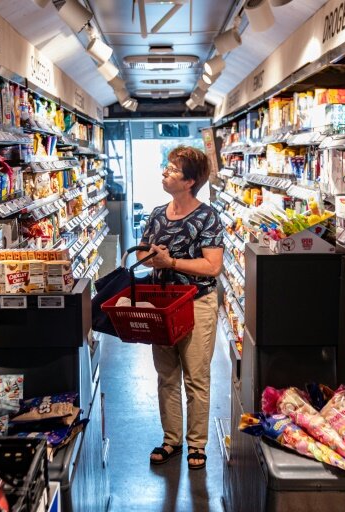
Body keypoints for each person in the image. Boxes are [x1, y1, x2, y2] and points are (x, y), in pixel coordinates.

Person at [137, 146, 224, 470]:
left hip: (196, 303)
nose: (164, 172)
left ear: (189, 182)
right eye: (166, 167)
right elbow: (141, 254)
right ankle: (171, 439)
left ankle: (197, 445)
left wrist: (171, 261)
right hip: (162, 304)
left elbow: (213, 266)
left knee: (196, 377)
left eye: (172, 169)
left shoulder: (207, 217)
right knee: (166, 375)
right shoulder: (158, 213)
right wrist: (151, 256)